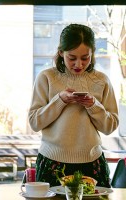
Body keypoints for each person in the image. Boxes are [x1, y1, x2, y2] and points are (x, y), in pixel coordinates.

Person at [28, 23, 119, 188]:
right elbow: (35, 123)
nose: (79, 64)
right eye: (72, 58)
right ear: (61, 52)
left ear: (93, 53)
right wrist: (60, 100)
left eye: (85, 58)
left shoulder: (102, 80)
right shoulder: (46, 77)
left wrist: (93, 105)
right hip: (52, 162)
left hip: (92, 162)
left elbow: (110, 126)